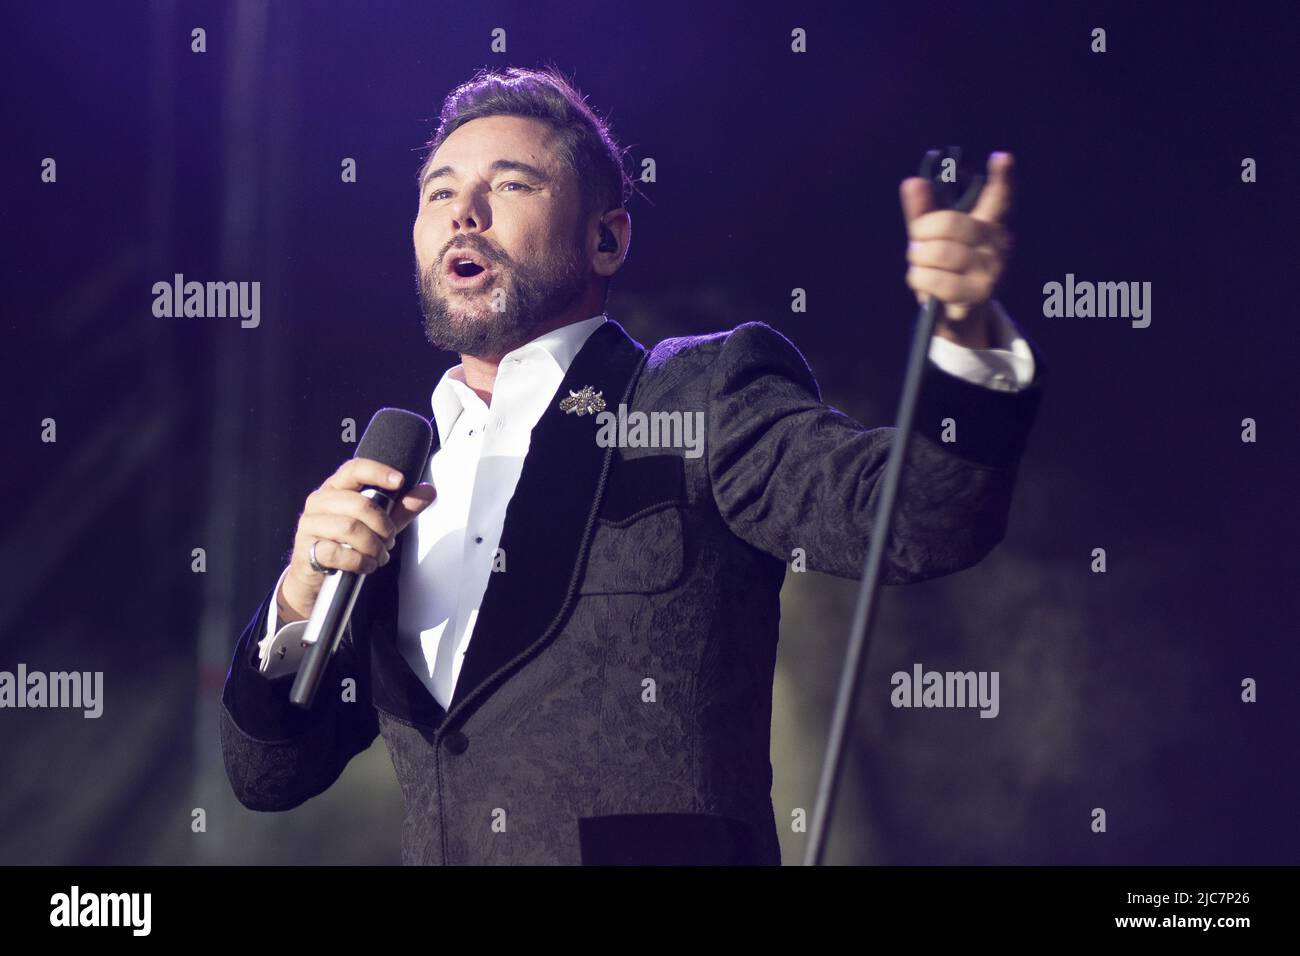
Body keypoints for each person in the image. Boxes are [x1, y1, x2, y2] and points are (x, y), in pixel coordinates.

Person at [219, 65, 1045, 865]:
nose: (463, 214)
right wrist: (298, 597)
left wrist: (966, 335)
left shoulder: (699, 393)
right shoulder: (393, 478)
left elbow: (921, 518)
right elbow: (267, 776)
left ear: (606, 238)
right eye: (439, 192)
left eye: (510, 186)